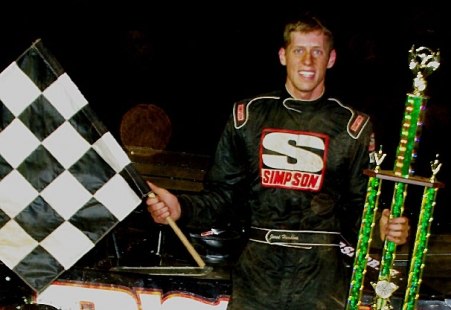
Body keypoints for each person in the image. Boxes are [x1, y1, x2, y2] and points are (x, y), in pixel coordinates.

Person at [146, 11, 410, 310]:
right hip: (259, 269)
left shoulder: (354, 127)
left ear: (331, 58)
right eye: (299, 50)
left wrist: (383, 227)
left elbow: (360, 207)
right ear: (283, 56)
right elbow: (222, 197)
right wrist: (180, 207)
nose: (307, 62)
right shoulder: (248, 116)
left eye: (317, 52)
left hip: (321, 276)